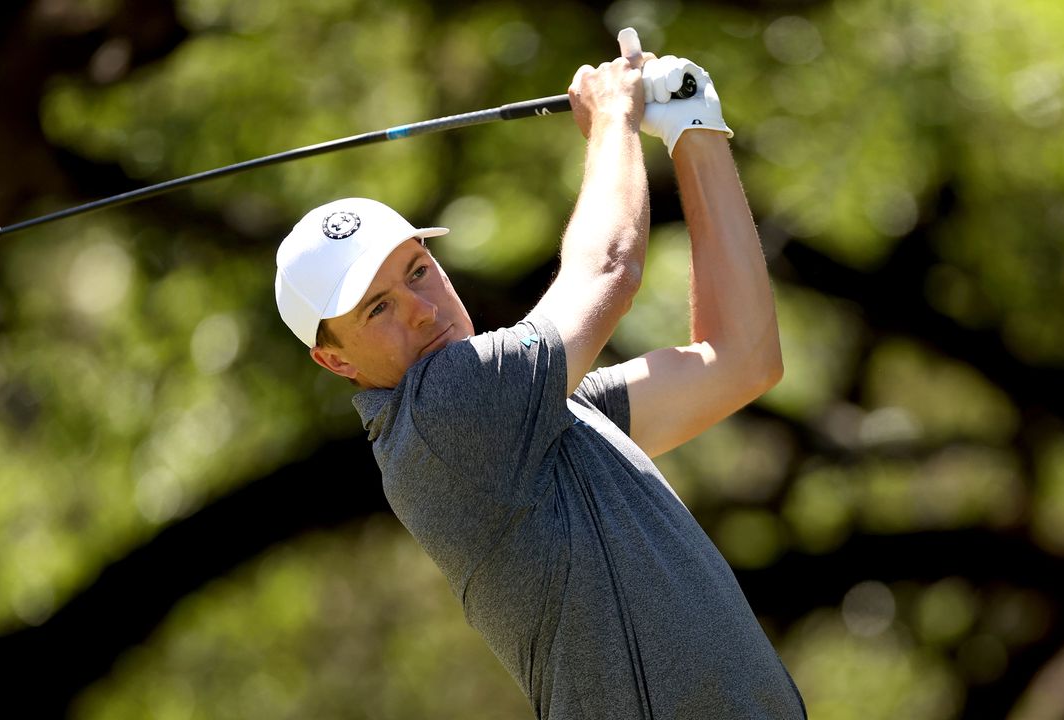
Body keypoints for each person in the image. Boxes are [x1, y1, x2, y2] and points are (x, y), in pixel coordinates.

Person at [274, 33, 806, 720]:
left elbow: (742, 360)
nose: (423, 309)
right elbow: (610, 270)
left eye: (417, 271)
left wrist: (694, 127)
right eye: (378, 307)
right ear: (336, 360)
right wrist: (613, 116)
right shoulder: (444, 416)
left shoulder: (546, 412)